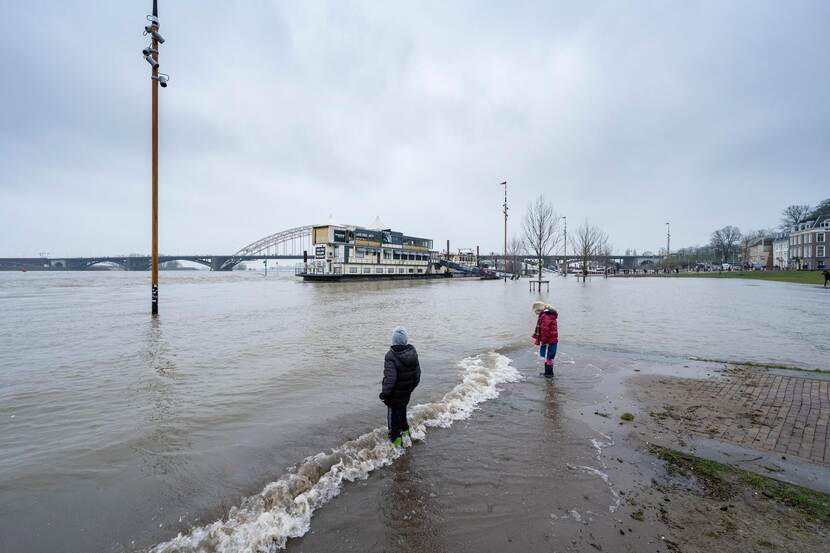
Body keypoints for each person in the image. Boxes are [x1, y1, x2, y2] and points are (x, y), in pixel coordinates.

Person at [379, 326, 421, 447]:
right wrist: (410, 389)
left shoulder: (390, 356)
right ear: (405, 340)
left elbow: (390, 379)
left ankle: (396, 447)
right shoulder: (412, 353)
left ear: (393, 341)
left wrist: (384, 394)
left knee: (393, 422)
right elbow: (417, 375)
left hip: (393, 397)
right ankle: (406, 436)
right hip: (406, 393)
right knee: (402, 415)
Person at [532, 301, 559, 378]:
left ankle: (549, 374)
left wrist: (544, 340)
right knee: (549, 356)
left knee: (549, 356)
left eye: (536, 312)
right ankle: (548, 373)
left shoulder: (545, 315)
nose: (536, 314)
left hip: (549, 339)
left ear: (539, 310)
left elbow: (545, 329)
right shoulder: (549, 314)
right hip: (552, 338)